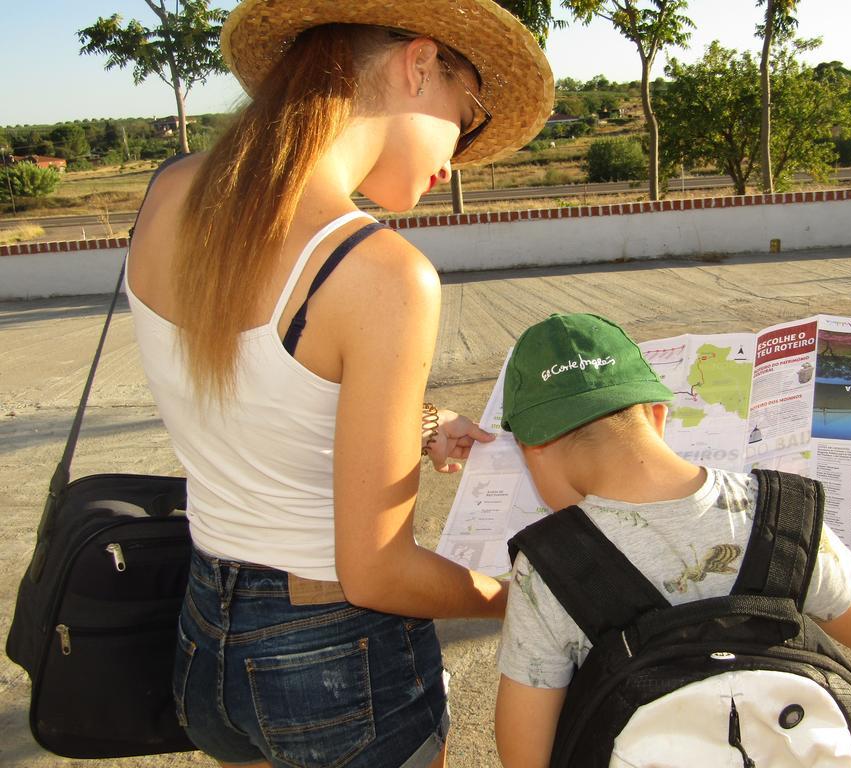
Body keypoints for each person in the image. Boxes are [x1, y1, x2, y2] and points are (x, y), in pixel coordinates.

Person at [124, 1, 553, 766]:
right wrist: (520, 600)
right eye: (467, 117)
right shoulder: (381, 274)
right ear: (419, 65)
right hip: (333, 665)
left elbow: (259, 388)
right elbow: (378, 569)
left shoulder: (171, 191)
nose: (456, 158)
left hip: (205, 644)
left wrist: (419, 424)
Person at [492, 313, 851, 768]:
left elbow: (526, 758)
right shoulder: (785, 516)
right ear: (658, 416)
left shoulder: (549, 570)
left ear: (533, 450)